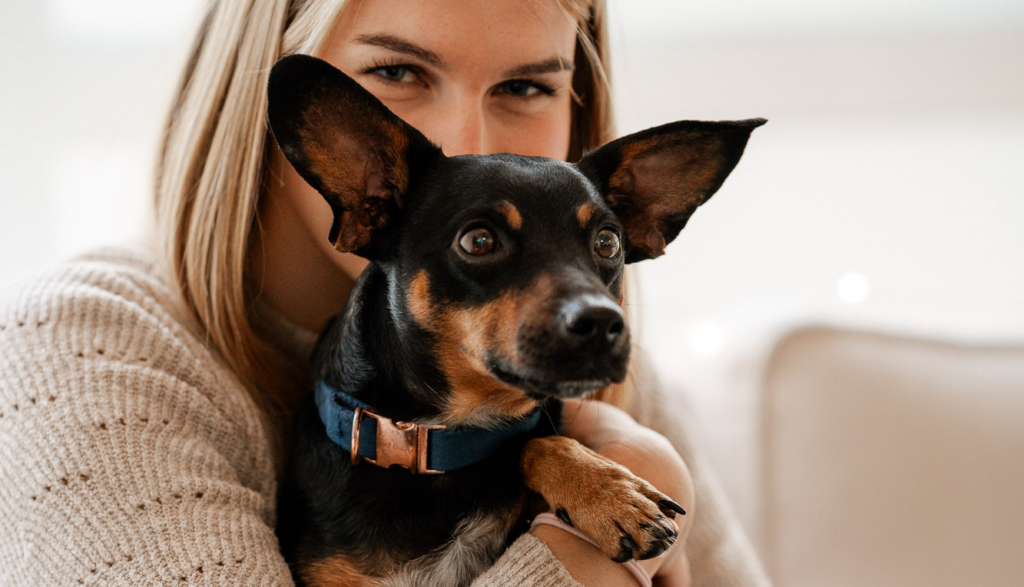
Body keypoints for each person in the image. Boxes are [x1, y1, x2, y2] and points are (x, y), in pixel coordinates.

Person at [0, 0, 770, 585]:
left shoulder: (580, 352)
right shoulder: (79, 357)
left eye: (528, 84)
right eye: (398, 72)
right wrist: (581, 564)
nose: (471, 144)